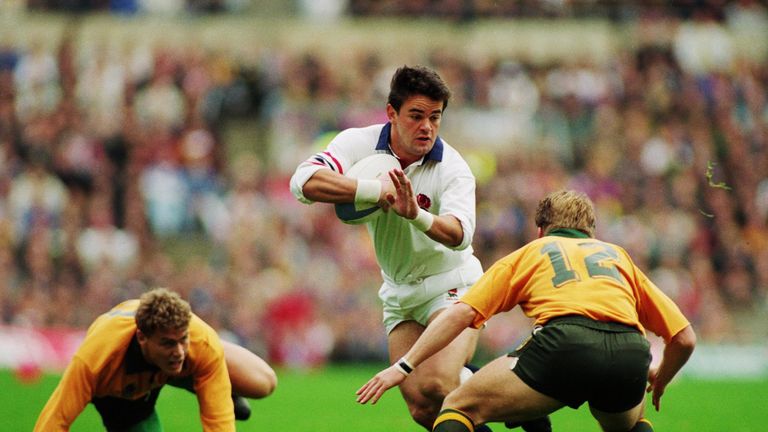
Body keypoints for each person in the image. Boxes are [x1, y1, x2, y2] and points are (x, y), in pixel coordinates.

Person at [357, 190, 697, 432]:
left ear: (541, 229)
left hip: (564, 344)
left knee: (458, 407)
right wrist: (661, 377)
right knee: (631, 424)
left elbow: (461, 314)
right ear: (590, 232)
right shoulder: (617, 257)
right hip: (630, 353)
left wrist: (404, 366)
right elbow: (684, 338)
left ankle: (532, 416)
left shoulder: (534, 251)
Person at [290, 65, 495, 431]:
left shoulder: (454, 168)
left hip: (453, 284)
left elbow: (460, 234)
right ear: (391, 113)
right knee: (421, 407)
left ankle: (509, 392)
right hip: (399, 291)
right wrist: (373, 189)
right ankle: (498, 391)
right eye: (416, 116)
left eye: (435, 117)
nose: (427, 127)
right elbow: (302, 182)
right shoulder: (358, 142)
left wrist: (416, 215)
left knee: (436, 384)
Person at [34, 287, 277, 432]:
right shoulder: (95, 360)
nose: (179, 350)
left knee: (263, 382)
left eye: (183, 339)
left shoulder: (199, 343)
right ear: (142, 337)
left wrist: (182, 346)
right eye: (168, 343)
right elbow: (54, 422)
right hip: (124, 396)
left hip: (180, 364)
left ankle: (212, 382)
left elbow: (219, 426)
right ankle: (197, 379)